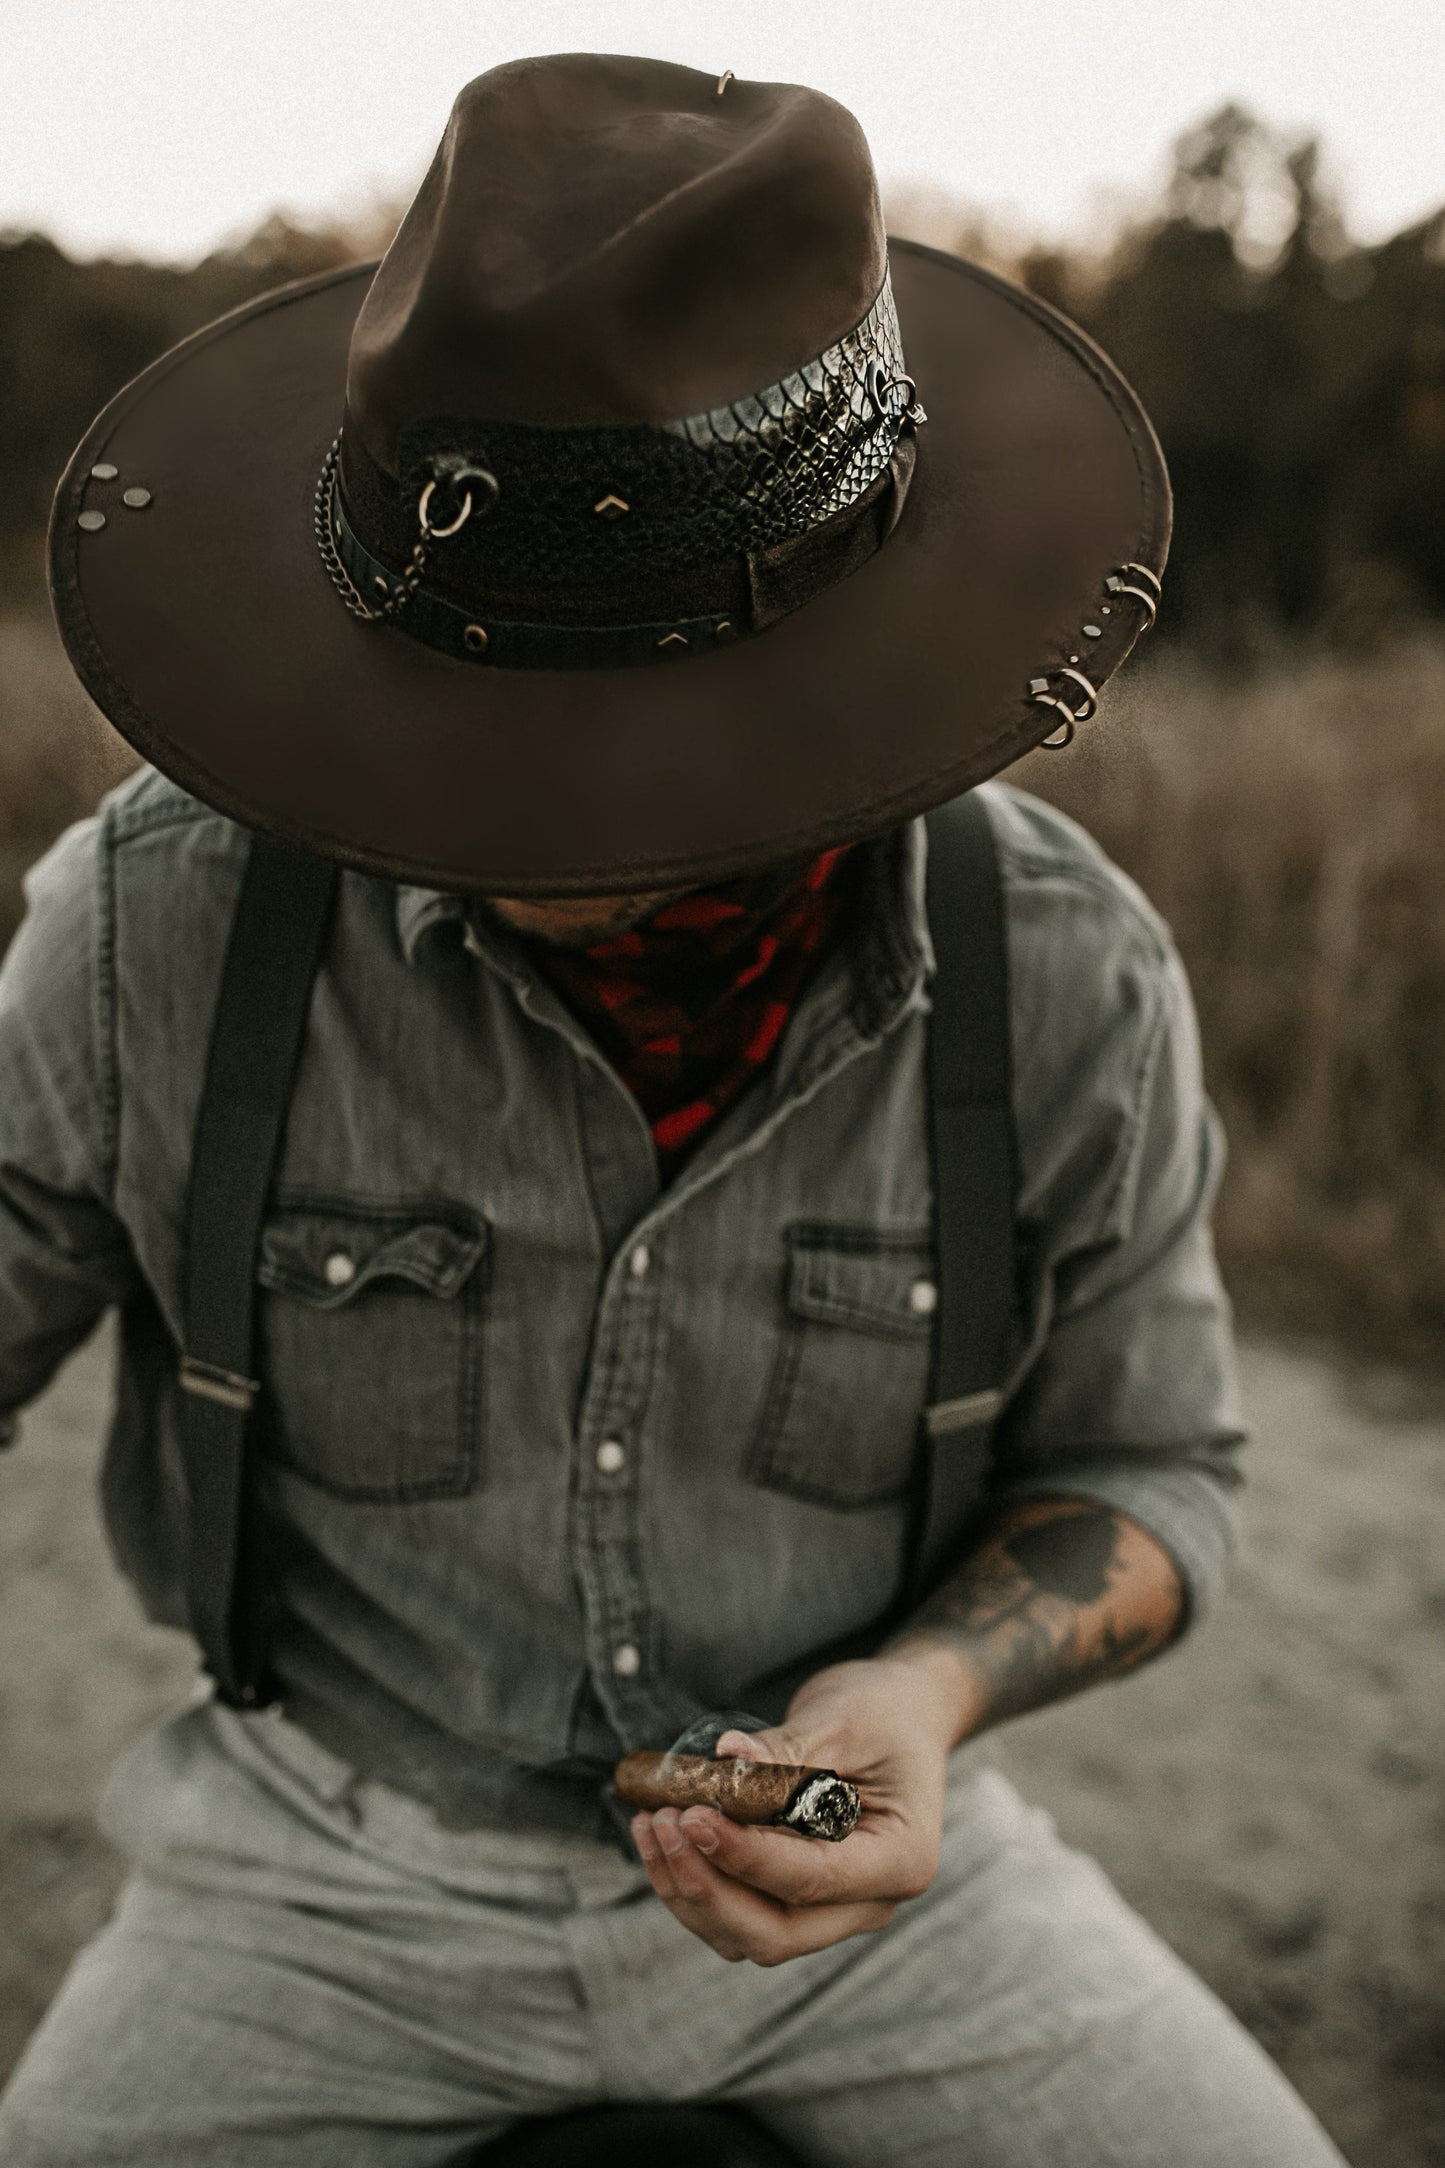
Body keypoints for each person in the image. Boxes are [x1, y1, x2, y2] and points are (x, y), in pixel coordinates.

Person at [0, 52, 1346, 2168]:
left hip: (895, 1909)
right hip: (320, 1882)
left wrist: (912, 1705)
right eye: (460, 717)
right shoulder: (141, 930)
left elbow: (1162, 1469)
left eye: (600, 733)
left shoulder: (1069, 970)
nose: (497, 802)